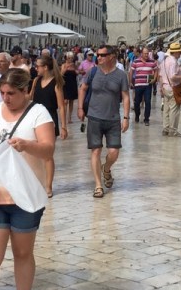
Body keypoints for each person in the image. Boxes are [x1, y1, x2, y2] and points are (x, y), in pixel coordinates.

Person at [0, 68, 56, 290]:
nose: (5, 98)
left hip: (25, 198)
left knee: (22, 254)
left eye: (11, 93)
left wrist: (27, 145)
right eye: (2, 92)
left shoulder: (39, 113)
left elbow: (48, 150)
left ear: (26, 91)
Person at [77, 45, 130, 198]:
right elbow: (83, 88)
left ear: (112, 56)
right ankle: (98, 185)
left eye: (102, 55)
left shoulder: (121, 75)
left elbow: (126, 97)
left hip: (113, 118)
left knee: (114, 152)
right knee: (96, 151)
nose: (98, 58)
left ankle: (106, 168)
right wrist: (80, 108)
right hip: (94, 117)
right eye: (97, 55)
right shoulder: (93, 71)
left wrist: (126, 118)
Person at [30, 53, 67, 196]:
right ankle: (37, 182)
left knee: (47, 155)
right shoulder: (35, 81)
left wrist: (63, 126)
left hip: (49, 121)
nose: (36, 68)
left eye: (38, 66)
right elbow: (30, 98)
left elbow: (61, 106)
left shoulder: (56, 84)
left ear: (45, 67)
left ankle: (48, 186)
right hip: (34, 119)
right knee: (33, 154)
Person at [158, 42, 181, 137]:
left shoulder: (164, 61)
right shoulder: (173, 62)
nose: (180, 54)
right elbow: (173, 77)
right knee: (174, 109)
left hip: (165, 87)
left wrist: (161, 87)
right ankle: (173, 130)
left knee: (166, 109)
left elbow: (160, 76)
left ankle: (166, 128)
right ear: (175, 52)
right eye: (179, 52)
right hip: (173, 88)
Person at [129, 46, 159, 125]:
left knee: (148, 102)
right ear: (141, 54)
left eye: (147, 53)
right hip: (138, 84)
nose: (146, 55)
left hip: (148, 85)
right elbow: (131, 71)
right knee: (137, 102)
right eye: (145, 53)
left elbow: (156, 70)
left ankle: (146, 119)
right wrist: (130, 81)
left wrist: (154, 79)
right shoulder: (136, 61)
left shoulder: (152, 61)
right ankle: (137, 115)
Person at [61, 52, 79, 125]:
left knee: (71, 101)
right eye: (69, 58)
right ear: (66, 58)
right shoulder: (64, 65)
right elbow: (61, 74)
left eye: (71, 58)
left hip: (72, 84)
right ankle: (64, 117)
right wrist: (67, 67)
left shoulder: (74, 65)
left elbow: (77, 73)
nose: (70, 60)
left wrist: (75, 70)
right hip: (65, 84)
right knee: (65, 101)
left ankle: (69, 117)